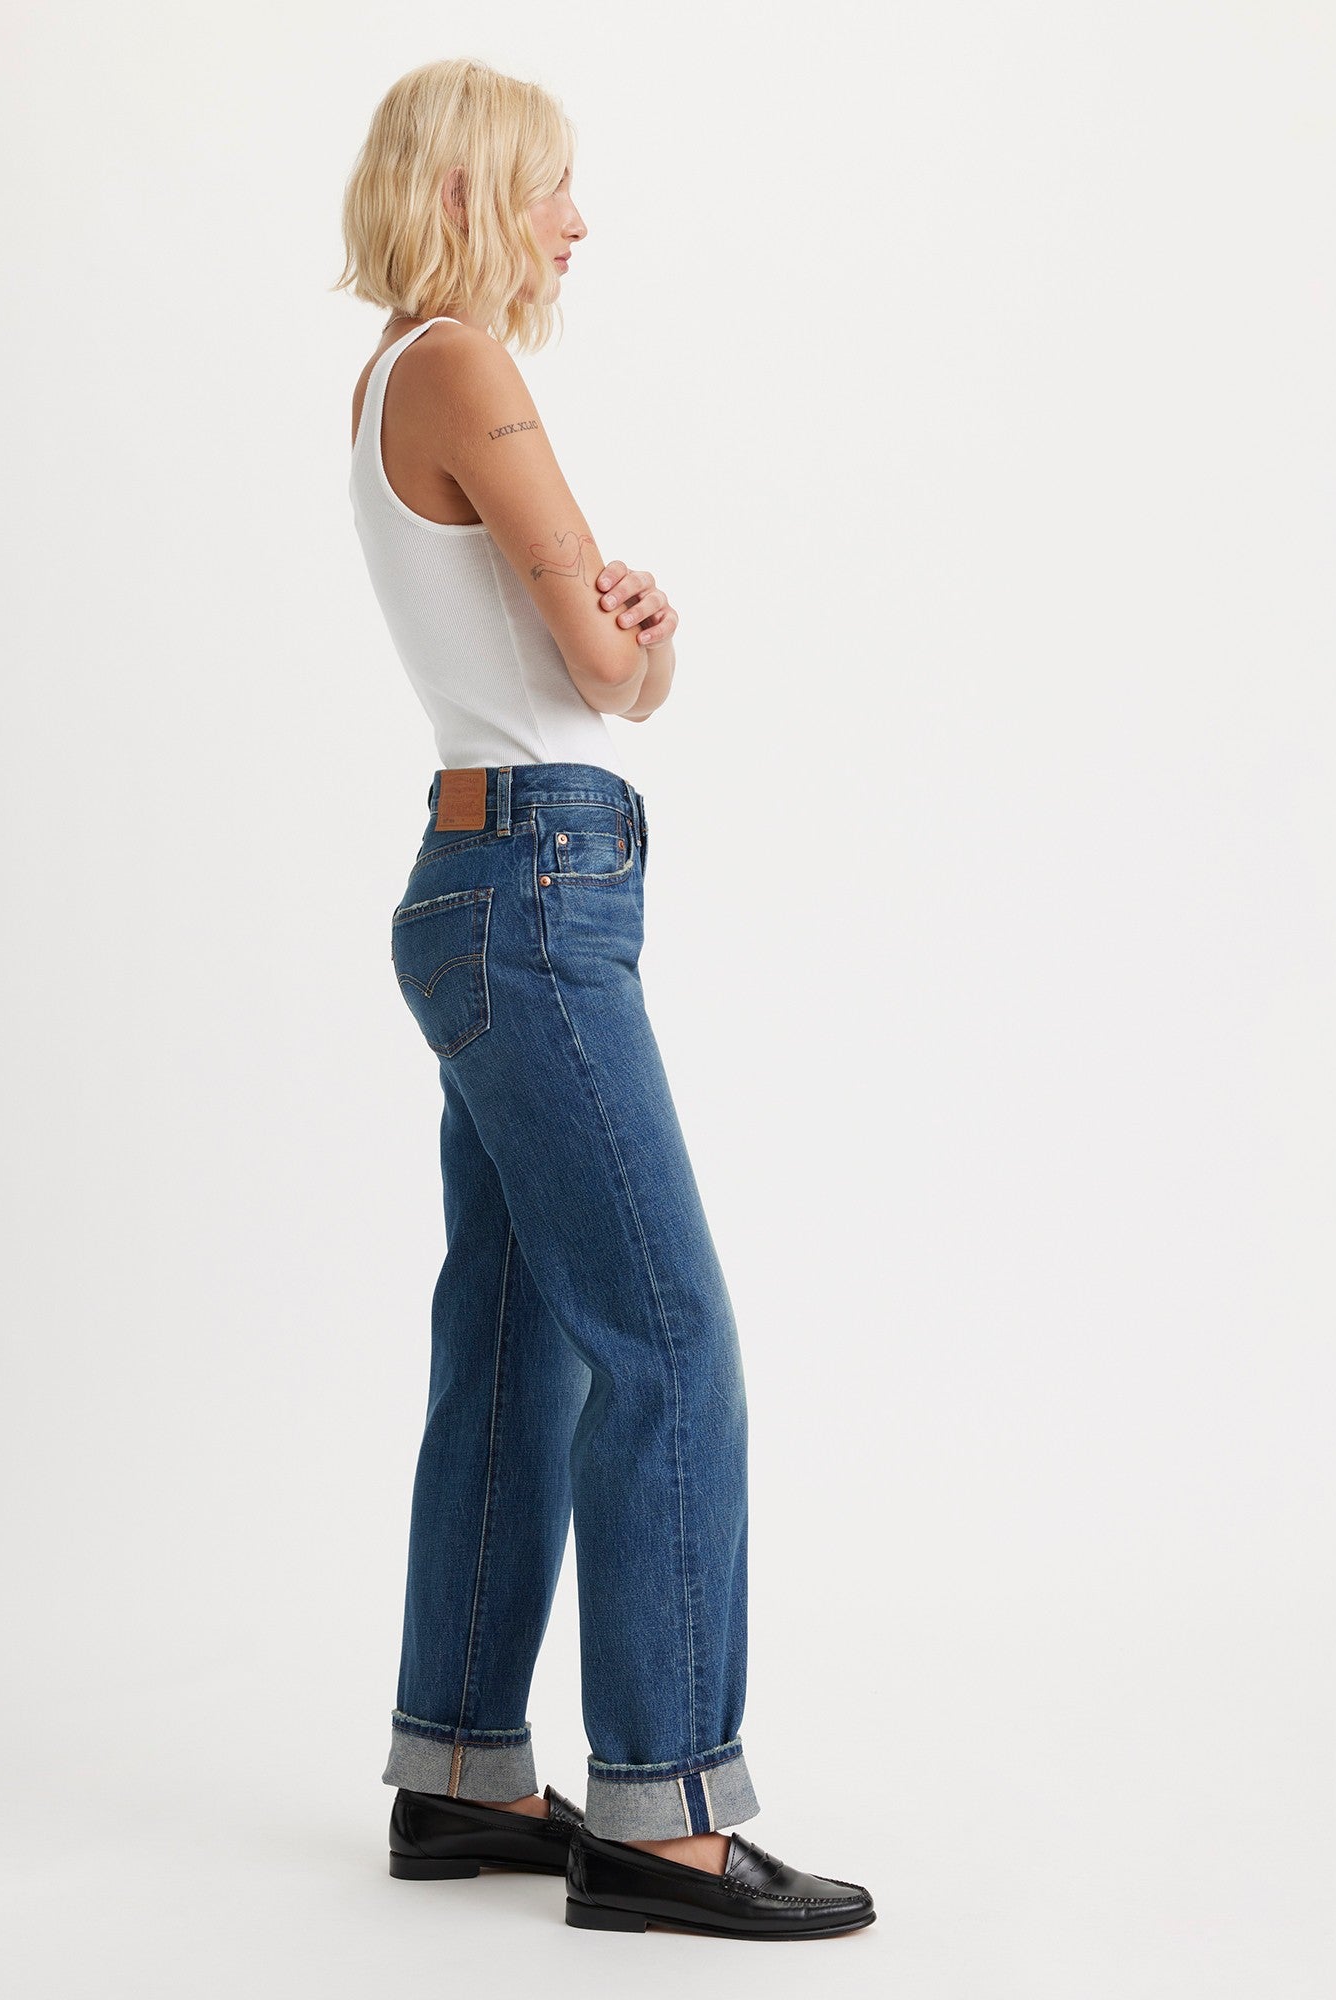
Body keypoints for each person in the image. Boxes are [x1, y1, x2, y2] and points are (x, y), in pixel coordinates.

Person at [334, 58, 875, 1942]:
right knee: (666, 1336)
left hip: (500, 879)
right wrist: (629, 641)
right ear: (469, 192)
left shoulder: (395, 374)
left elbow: (615, 679)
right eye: (552, 185)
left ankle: (461, 1769)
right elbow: (600, 659)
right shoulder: (462, 366)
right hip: (535, 893)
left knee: (518, 1341)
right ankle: (667, 1817)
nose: (578, 221)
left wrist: (634, 654)